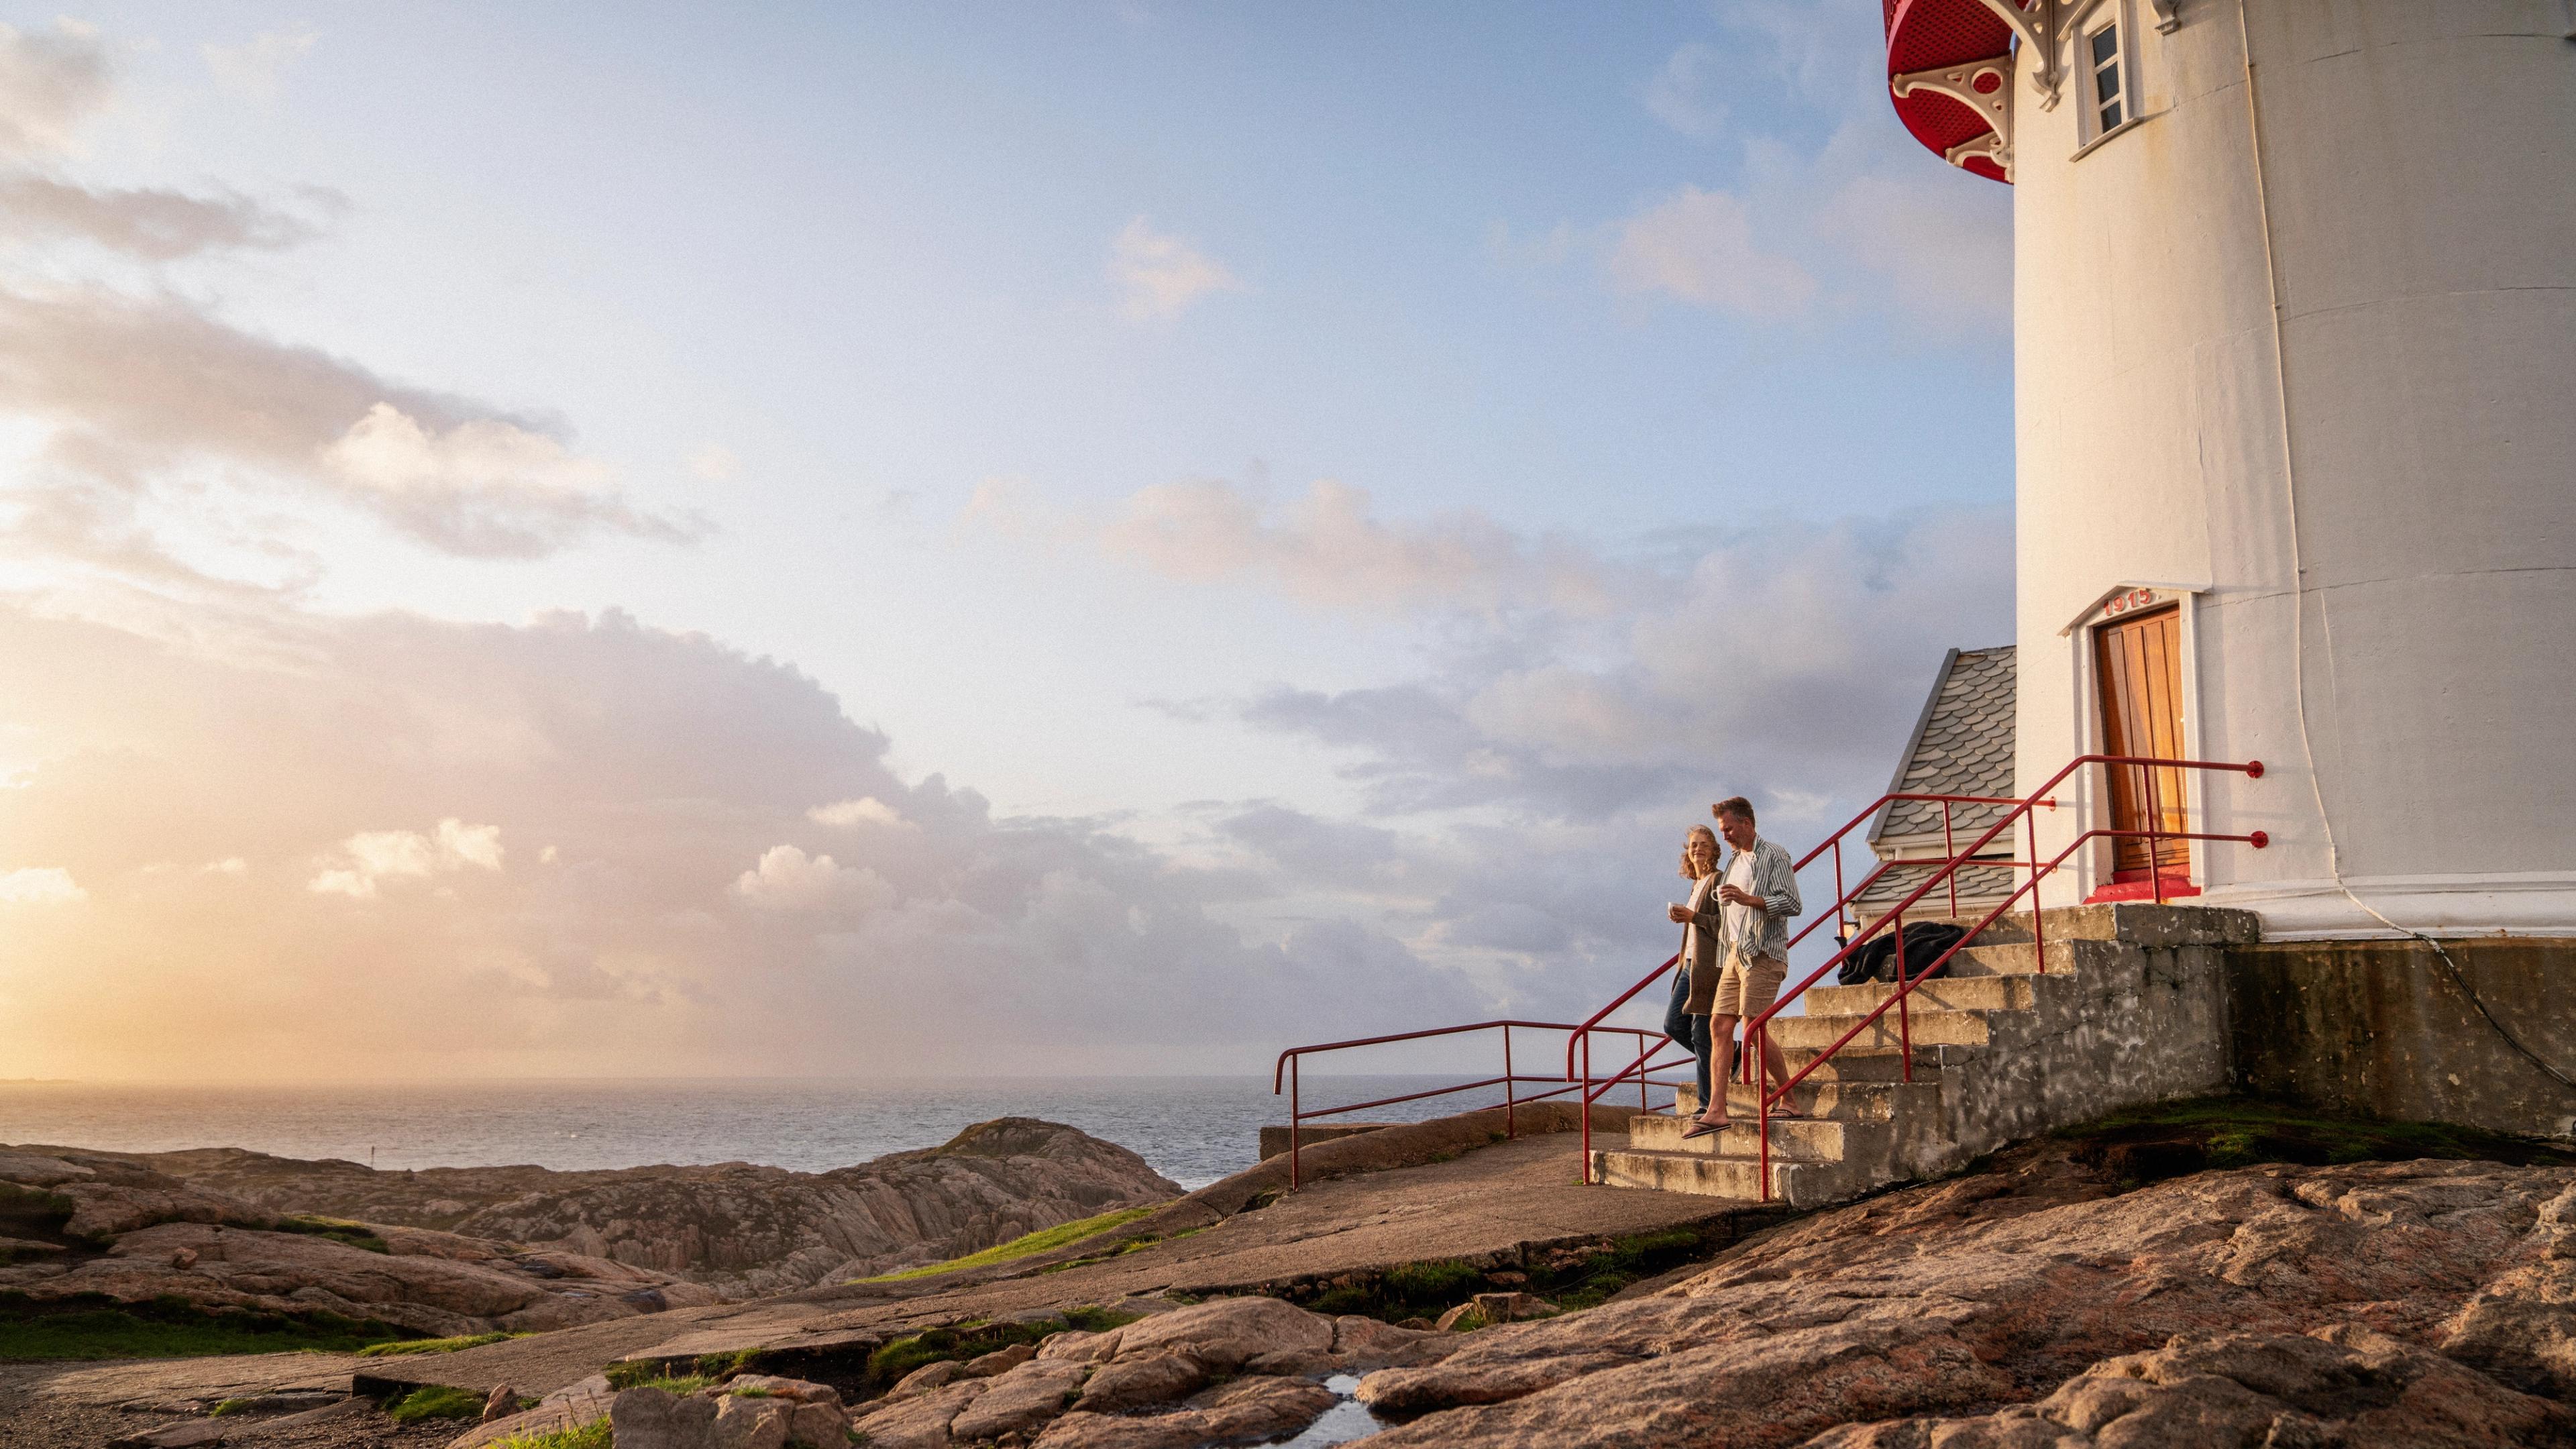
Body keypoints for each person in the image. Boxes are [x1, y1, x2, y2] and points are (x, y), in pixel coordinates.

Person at [1688, 796, 1803, 1136]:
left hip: (1764, 954)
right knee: (1719, 1026)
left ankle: (1791, 1101)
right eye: (1721, 830)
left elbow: (1793, 903)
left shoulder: (1773, 854)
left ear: (1747, 823)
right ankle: (1717, 1111)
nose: (1724, 836)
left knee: (1753, 1029)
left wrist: (1747, 898)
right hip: (1733, 955)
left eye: (1728, 829)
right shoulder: (1736, 860)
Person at [1661, 825, 1722, 1120]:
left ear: (1713, 849)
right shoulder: (1696, 884)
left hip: (1708, 967)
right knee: (1674, 1024)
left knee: (1701, 1032)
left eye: (1702, 844)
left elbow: (1726, 925)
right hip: (1688, 965)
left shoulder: (1719, 880)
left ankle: (1707, 1103)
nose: (1696, 849)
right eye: (1692, 845)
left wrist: (1693, 917)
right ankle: (1733, 1055)